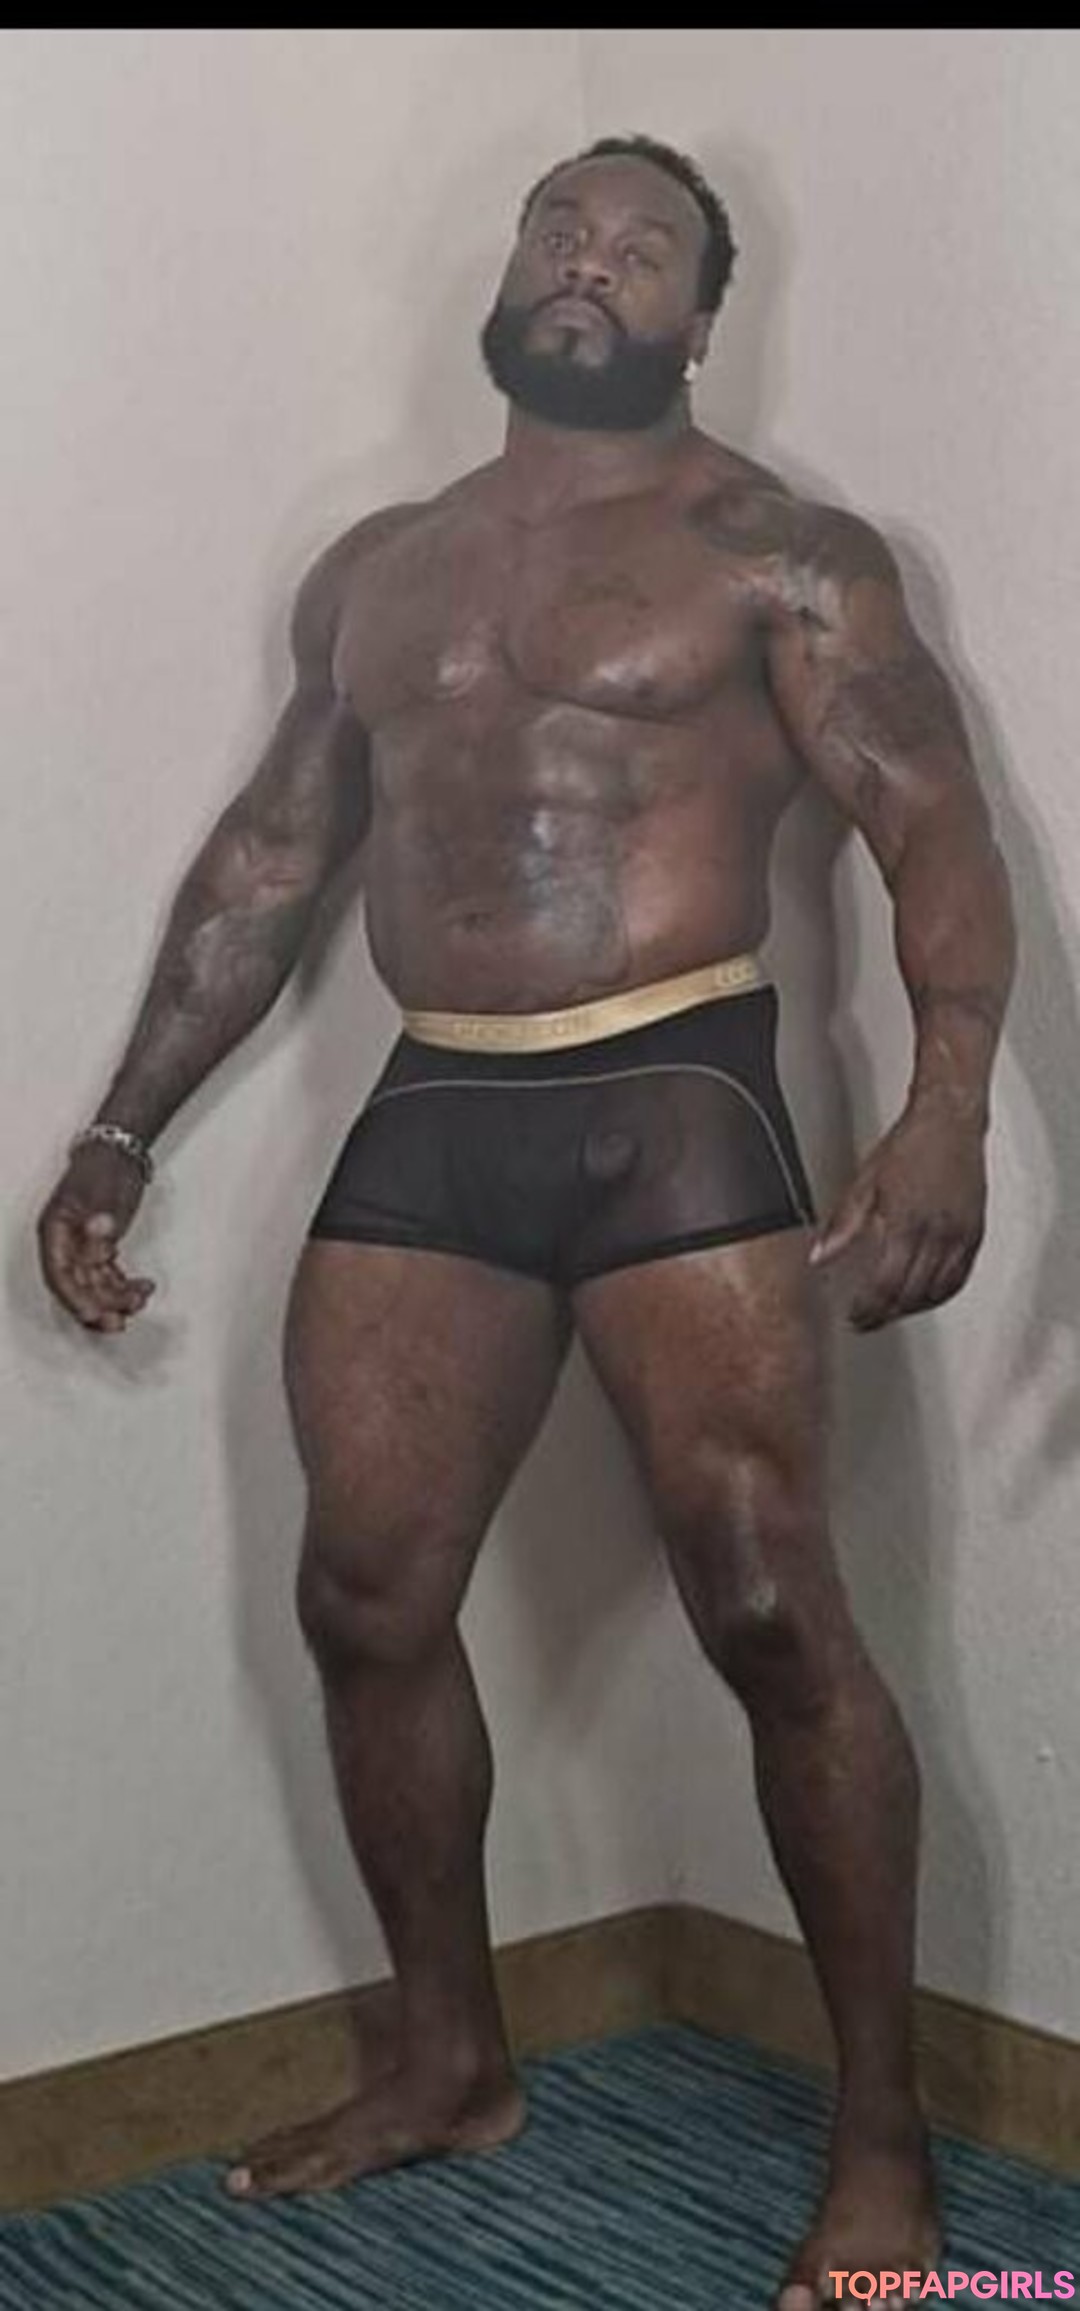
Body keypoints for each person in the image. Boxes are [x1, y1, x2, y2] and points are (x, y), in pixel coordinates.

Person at [37, 133, 1016, 2311]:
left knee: (770, 1604)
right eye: (561, 229)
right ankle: (450, 2059)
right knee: (364, 1592)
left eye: (644, 247)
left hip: (675, 1086)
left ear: (700, 317)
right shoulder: (378, 572)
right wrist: (119, 1131)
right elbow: (271, 860)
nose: (591, 261)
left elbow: (932, 826)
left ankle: (880, 2142)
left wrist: (947, 1110)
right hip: (438, 1101)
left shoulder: (782, 551)